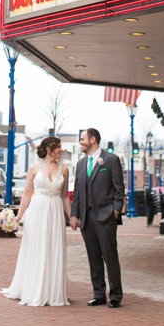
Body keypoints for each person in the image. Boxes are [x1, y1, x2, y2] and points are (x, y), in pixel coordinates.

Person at [0, 136, 70, 306]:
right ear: (48, 149)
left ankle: (51, 292)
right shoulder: (33, 169)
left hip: (55, 212)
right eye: (58, 147)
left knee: (53, 249)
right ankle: (32, 289)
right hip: (37, 211)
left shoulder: (65, 170)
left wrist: (72, 216)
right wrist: (18, 216)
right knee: (36, 248)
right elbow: (26, 194)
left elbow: (65, 196)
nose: (61, 150)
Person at [70, 128, 125, 308]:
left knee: (109, 256)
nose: (80, 142)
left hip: (105, 217)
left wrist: (115, 212)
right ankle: (99, 294)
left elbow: (119, 190)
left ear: (93, 139)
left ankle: (115, 295)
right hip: (86, 218)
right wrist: (74, 214)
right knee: (93, 257)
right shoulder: (80, 164)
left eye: (82, 139)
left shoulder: (111, 160)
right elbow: (78, 192)